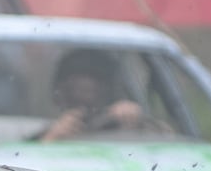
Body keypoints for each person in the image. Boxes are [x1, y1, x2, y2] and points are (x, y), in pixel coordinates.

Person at [36, 48, 165, 143]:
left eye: (93, 104)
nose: (85, 112)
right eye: (76, 100)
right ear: (60, 94)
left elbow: (172, 141)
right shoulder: (34, 127)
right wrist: (51, 138)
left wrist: (138, 122)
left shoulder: (122, 122)